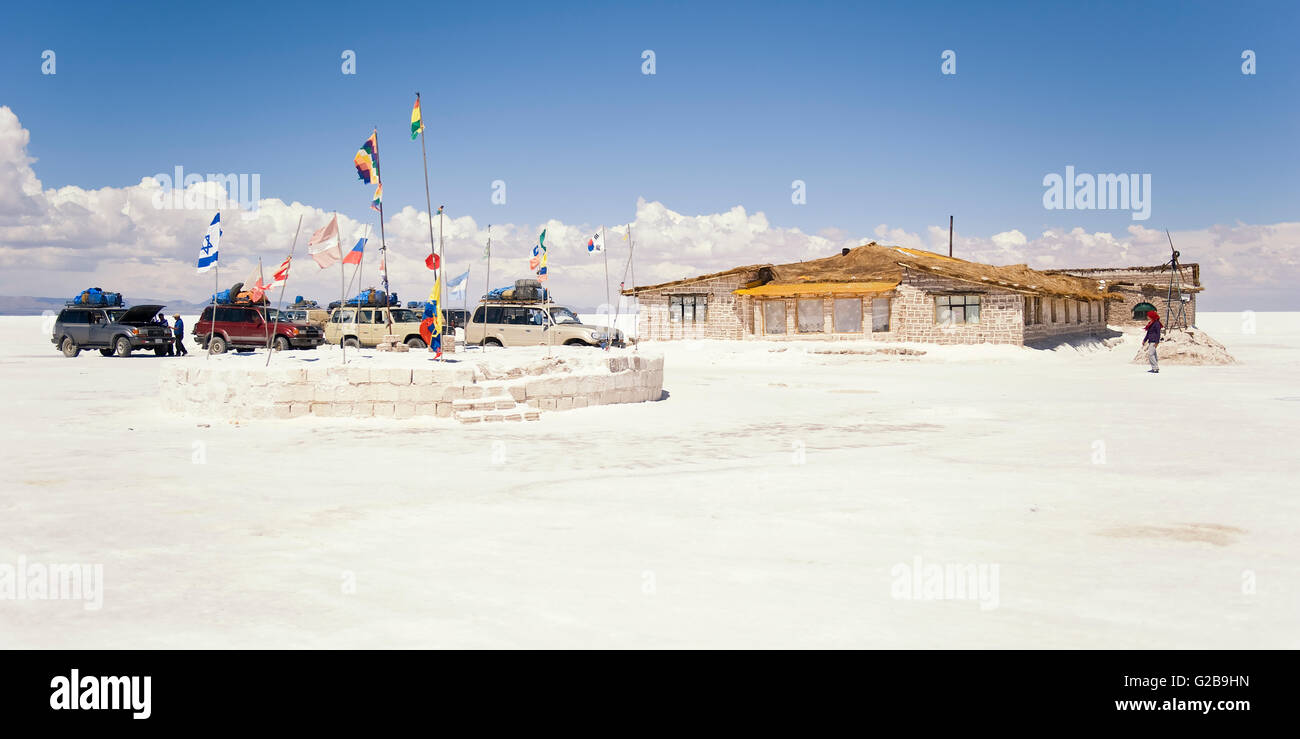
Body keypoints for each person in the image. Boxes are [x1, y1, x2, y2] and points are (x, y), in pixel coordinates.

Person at [1141, 309, 1162, 373]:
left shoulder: (1157, 323)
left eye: (1149, 316)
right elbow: (1148, 333)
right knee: (1154, 354)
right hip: (1151, 340)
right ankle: (1155, 368)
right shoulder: (1151, 323)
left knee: (1151, 354)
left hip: (1154, 341)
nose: (1148, 317)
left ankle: (1155, 368)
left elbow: (1158, 333)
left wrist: (1157, 342)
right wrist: (1144, 340)